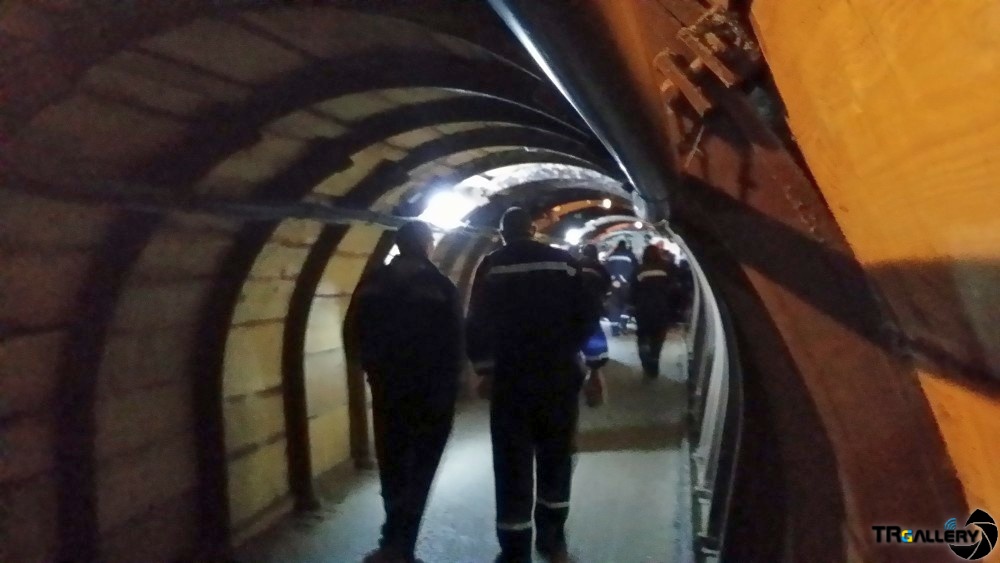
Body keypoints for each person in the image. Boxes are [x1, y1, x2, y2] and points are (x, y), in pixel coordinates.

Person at [466, 207, 598, 563]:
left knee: (512, 463)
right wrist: (593, 366)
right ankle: (553, 541)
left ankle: (515, 551)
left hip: (511, 382)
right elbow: (587, 316)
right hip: (559, 378)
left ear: (503, 233)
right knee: (556, 458)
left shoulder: (491, 265)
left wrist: (485, 371)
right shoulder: (565, 263)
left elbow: (477, 322)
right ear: (533, 230)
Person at [356, 221, 464, 563]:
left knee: (392, 463)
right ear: (427, 245)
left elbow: (353, 332)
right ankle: (402, 545)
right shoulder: (440, 286)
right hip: (431, 394)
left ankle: (391, 537)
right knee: (421, 467)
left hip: (388, 390)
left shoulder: (372, 283)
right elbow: (455, 340)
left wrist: (372, 371)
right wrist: (451, 387)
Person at [630, 245, 681, 378]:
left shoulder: (639, 270)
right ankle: (654, 363)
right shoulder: (668, 268)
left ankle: (645, 358)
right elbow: (676, 289)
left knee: (642, 335)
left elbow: (632, 290)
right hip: (662, 308)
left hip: (643, 309)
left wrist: (632, 305)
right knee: (658, 338)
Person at [578, 244, 611, 406]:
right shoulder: (600, 268)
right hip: (592, 310)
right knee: (594, 347)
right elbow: (606, 289)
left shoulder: (573, 265)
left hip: (573, 310)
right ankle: (593, 376)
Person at [604, 240, 638, 336]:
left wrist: (612, 279)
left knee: (614, 305)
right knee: (626, 304)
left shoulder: (611, 256)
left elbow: (606, 269)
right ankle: (623, 325)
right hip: (626, 284)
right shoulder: (629, 255)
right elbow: (635, 268)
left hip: (613, 284)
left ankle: (615, 329)